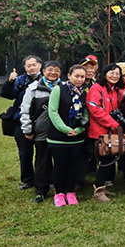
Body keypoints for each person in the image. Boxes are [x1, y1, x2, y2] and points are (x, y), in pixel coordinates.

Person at [20, 60, 62, 203]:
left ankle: (60, 188)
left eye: (56, 70)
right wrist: (28, 129)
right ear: (43, 71)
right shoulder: (33, 88)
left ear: (61, 73)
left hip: (60, 132)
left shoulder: (65, 88)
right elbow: (25, 111)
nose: (53, 73)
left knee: (60, 161)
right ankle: (41, 190)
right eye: (50, 69)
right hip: (41, 132)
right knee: (42, 161)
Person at [46, 64, 88, 207]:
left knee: (73, 166)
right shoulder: (59, 89)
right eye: (77, 76)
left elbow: (86, 114)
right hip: (58, 137)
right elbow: (52, 112)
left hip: (77, 137)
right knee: (59, 166)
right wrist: (65, 129)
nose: (80, 79)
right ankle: (59, 193)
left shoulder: (84, 93)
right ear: (69, 76)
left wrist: (79, 129)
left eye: (82, 76)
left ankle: (70, 192)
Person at [0, 55, 42, 190]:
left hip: (42, 121)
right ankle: (28, 179)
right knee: (25, 152)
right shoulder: (20, 80)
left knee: (43, 153)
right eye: (28, 65)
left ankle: (45, 177)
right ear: (24, 68)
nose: (31, 68)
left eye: (34, 65)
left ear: (40, 66)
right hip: (21, 121)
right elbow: (7, 94)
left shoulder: (46, 79)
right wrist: (10, 82)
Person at [86, 64, 124, 202]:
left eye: (117, 74)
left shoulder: (114, 90)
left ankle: (102, 187)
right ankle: (98, 191)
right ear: (105, 73)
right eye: (112, 73)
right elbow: (95, 109)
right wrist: (112, 123)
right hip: (98, 132)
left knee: (108, 159)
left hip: (110, 132)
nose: (115, 76)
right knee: (105, 161)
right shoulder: (97, 88)